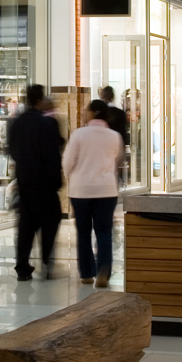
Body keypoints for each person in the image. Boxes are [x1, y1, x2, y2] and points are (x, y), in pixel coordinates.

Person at [63, 100, 123, 287]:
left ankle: (87, 274)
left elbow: (67, 162)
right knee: (104, 231)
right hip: (106, 189)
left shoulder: (79, 134)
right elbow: (118, 160)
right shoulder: (114, 136)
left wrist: (71, 178)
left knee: (83, 232)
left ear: (91, 113)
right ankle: (104, 269)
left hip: (81, 190)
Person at [7, 85, 64, 280]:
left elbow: (12, 150)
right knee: (50, 222)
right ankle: (47, 261)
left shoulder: (16, 123)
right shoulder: (46, 124)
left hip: (24, 183)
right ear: (39, 100)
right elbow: (52, 155)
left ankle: (22, 266)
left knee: (25, 226)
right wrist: (57, 181)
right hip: (45, 185)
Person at [99, 86, 129, 185]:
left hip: (103, 147)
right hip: (116, 146)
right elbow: (123, 133)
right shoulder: (120, 113)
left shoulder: (101, 114)